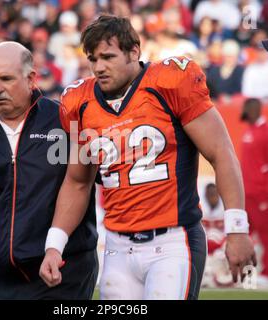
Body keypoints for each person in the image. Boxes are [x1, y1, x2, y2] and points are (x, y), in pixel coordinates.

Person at [39, 14, 256, 300]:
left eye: (108, 56)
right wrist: (54, 245)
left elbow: (221, 153)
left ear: (134, 51)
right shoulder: (79, 103)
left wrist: (237, 229)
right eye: (92, 59)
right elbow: (78, 182)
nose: (99, 67)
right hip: (116, 246)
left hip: (173, 243)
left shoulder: (170, 81)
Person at [0, 41, 98, 300]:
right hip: (0, 282)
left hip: (64, 274)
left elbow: (88, 182)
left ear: (31, 78)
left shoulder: (66, 121)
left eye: (6, 78)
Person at [240, 97, 268, 286]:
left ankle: (266, 273)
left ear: (255, 109)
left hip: (261, 193)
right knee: (244, 236)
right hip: (246, 193)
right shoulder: (249, 131)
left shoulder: (265, 131)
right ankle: (249, 276)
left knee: (265, 234)